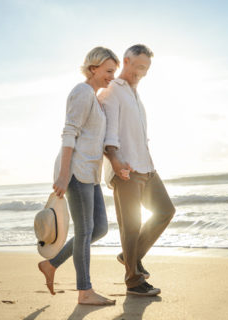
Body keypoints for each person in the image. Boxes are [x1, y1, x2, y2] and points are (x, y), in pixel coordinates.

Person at [38, 46, 119, 306]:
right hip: (75, 171)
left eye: (114, 72)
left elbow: (93, 139)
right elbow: (69, 133)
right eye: (108, 71)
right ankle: (85, 292)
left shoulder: (96, 98)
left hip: (90, 173)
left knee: (100, 228)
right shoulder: (82, 92)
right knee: (85, 231)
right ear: (93, 68)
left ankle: (51, 264)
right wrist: (63, 175)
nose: (111, 77)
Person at [99, 44, 176, 296]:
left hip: (146, 166)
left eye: (146, 69)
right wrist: (115, 160)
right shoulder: (112, 90)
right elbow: (108, 132)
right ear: (126, 61)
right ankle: (133, 281)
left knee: (165, 210)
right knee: (130, 225)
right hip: (126, 169)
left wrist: (150, 164)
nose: (141, 73)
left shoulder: (135, 93)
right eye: (139, 67)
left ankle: (130, 257)